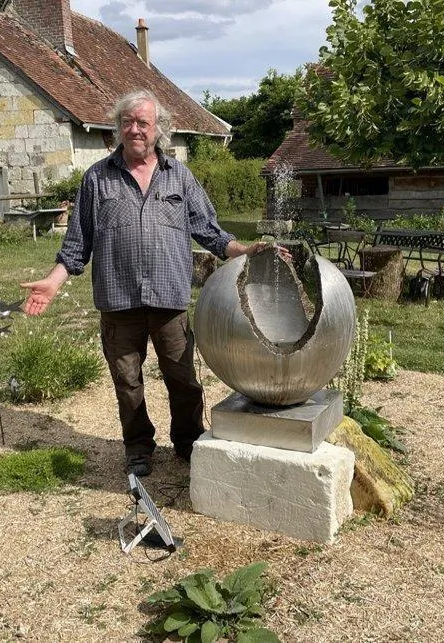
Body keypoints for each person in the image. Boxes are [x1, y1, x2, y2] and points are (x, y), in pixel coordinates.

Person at [20, 89, 282, 477]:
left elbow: (209, 231)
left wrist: (243, 250)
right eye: (127, 122)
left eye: (143, 122)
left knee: (183, 378)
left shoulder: (179, 176)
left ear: (159, 128)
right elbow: (78, 241)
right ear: (118, 128)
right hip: (118, 301)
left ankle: (188, 441)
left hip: (168, 299)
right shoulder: (97, 178)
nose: (135, 129)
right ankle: (138, 446)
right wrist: (54, 282)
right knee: (127, 381)